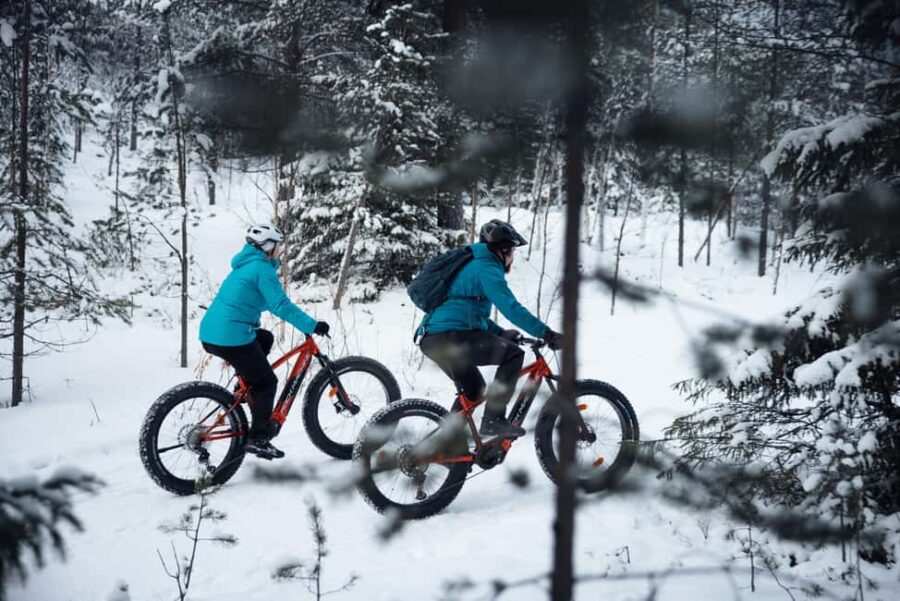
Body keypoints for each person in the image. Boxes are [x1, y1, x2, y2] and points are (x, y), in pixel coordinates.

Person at [417, 219, 563, 439]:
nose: (513, 257)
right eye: (513, 251)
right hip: (450, 336)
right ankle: (493, 420)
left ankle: (441, 444)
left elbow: (469, 315)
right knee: (513, 355)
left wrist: (500, 333)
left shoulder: (474, 264)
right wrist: (546, 333)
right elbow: (510, 307)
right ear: (504, 250)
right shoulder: (487, 267)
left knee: (474, 391)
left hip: (435, 338)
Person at [199, 224, 330, 459]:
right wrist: (312, 325)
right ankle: (259, 438)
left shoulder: (245, 266)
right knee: (267, 383)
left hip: (213, 332)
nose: (280, 250)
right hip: (231, 336)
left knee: (265, 338)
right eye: (278, 245)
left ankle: (245, 386)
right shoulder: (261, 269)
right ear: (268, 246)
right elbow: (280, 305)